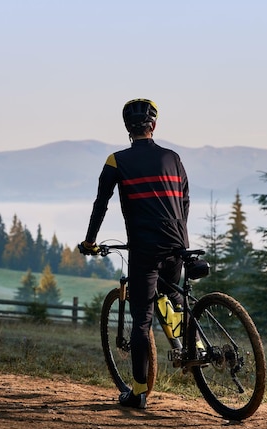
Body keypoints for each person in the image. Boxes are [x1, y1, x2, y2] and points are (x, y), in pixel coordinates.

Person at [80, 98, 189, 409]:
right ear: (153, 126)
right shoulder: (174, 158)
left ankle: (139, 392)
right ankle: (192, 348)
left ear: (128, 129)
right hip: (177, 243)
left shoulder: (116, 161)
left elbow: (101, 204)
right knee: (174, 298)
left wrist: (90, 241)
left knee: (141, 318)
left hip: (145, 248)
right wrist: (180, 240)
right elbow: (184, 203)